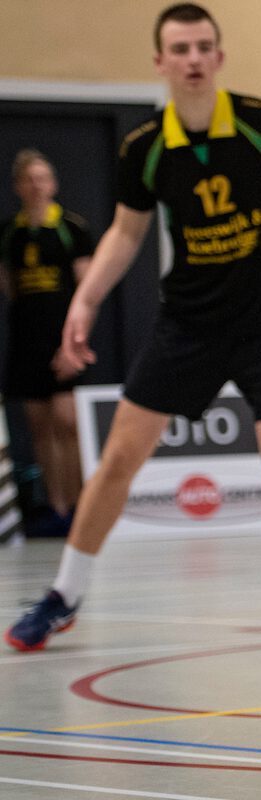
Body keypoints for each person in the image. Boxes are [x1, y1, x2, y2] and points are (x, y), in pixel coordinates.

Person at [5, 3, 261, 652]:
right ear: (161, 62)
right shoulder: (145, 147)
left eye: (204, 47)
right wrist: (84, 302)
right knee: (119, 459)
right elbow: (126, 233)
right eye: (180, 49)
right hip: (187, 326)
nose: (194, 59)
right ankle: (63, 595)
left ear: (220, 56)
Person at [0, 150, 93, 537]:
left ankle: (79, 505)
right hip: (27, 341)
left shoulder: (71, 228)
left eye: (42, 178)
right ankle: (55, 506)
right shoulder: (10, 232)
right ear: (18, 186)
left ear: (52, 183)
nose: (36, 186)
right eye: (29, 179)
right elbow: (10, 287)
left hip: (64, 340)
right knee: (39, 427)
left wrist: (73, 343)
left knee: (68, 423)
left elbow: (87, 290)